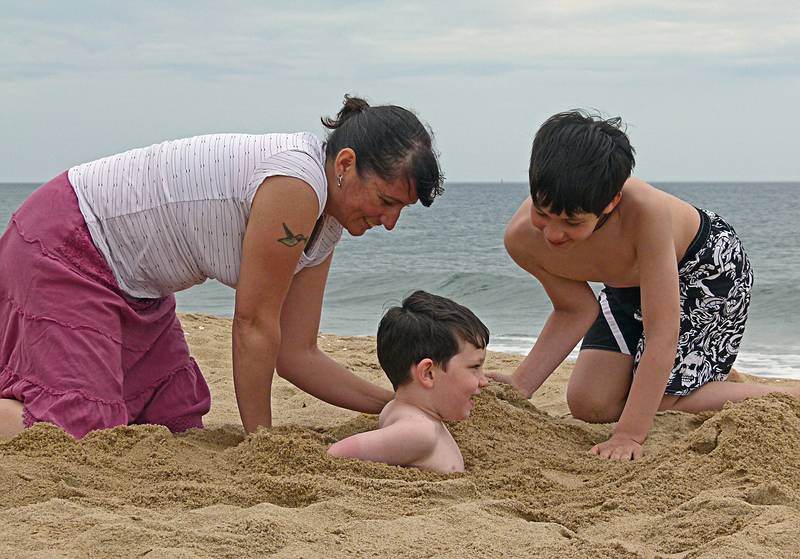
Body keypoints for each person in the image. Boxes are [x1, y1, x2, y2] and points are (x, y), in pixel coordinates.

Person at [0, 95, 444, 439]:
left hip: (137, 287)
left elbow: (295, 354)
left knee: (173, 416)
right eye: (386, 201)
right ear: (345, 163)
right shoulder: (297, 184)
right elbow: (253, 325)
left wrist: (396, 403)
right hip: (71, 245)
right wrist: (261, 442)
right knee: (80, 431)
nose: (389, 223)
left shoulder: (327, 222)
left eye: (400, 209)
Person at [491, 110, 800, 461]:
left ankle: (783, 395)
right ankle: (709, 373)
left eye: (571, 222)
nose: (553, 234)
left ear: (611, 203)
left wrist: (629, 435)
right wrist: (521, 385)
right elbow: (574, 309)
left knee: (665, 400)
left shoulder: (647, 214)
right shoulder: (521, 240)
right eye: (543, 214)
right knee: (590, 405)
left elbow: (662, 333)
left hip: (706, 270)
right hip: (627, 284)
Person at [328, 291, 489, 473]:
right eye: (475, 367)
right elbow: (336, 453)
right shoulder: (419, 432)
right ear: (428, 373)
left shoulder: (397, 409)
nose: (484, 381)